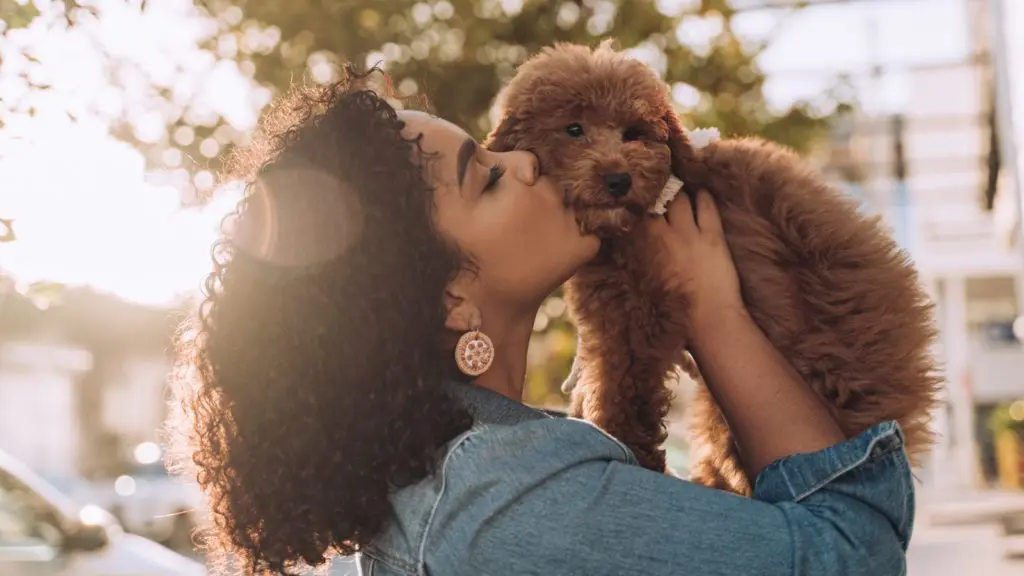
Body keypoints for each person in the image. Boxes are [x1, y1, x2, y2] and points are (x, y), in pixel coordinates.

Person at [171, 66, 913, 576]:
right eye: (486, 177)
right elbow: (855, 555)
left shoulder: (459, 476)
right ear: (450, 299)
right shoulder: (503, 500)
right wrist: (713, 313)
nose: (524, 164)